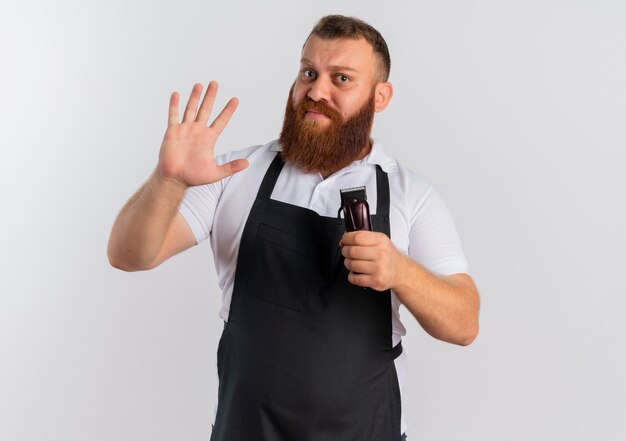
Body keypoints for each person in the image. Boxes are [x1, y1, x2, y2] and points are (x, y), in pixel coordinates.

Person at [108, 15, 480, 441]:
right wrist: (169, 180)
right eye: (309, 73)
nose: (316, 91)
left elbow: (464, 323)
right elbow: (128, 255)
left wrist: (401, 271)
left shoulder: (410, 195)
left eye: (341, 78)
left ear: (381, 96)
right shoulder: (235, 174)